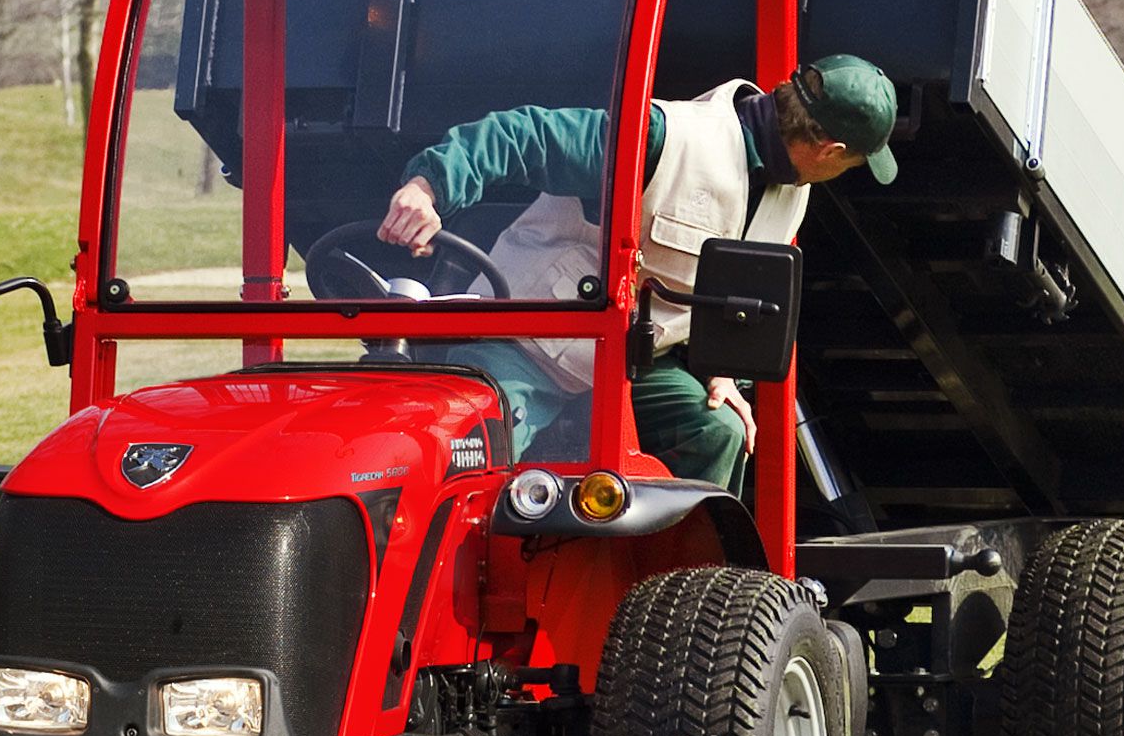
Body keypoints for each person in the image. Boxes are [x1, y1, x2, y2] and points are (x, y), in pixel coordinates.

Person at [376, 55, 898, 488]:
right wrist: (429, 189)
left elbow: (735, 292)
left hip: (634, 365)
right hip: (528, 344)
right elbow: (525, 134)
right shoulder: (660, 137)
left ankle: (689, 600)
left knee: (719, 429)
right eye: (853, 165)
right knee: (467, 440)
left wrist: (723, 373)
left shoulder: (790, 196)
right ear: (831, 151)